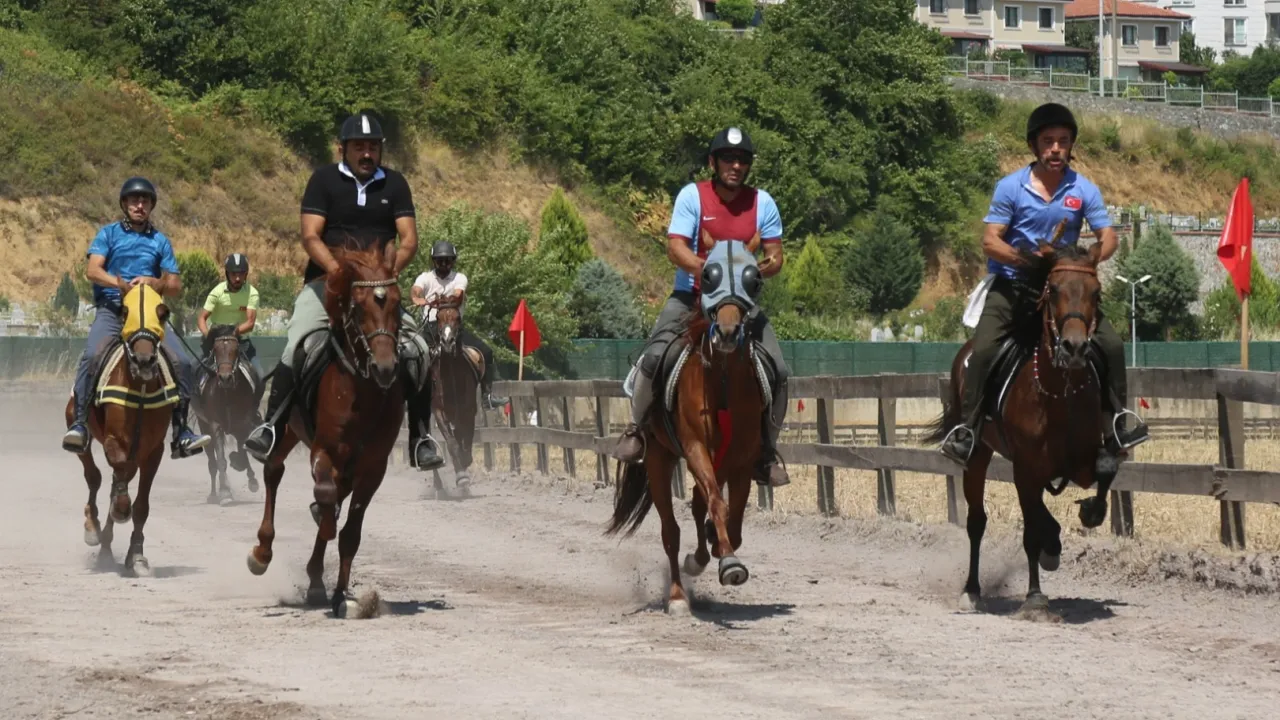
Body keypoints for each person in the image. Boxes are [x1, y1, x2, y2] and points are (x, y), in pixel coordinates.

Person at [939, 102, 1149, 466]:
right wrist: (1026, 261)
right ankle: (967, 430)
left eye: (1063, 141)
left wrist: (1088, 262)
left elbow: (1109, 237)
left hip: (1065, 291)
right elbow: (990, 241)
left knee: (1113, 345)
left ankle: (1116, 424)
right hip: (1013, 286)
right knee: (984, 350)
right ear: (1034, 146)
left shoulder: (1084, 189)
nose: (1055, 149)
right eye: (1048, 141)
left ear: (1071, 146)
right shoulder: (1011, 187)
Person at [242, 111, 444, 471]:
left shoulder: (395, 184)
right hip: (326, 284)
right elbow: (310, 236)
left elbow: (409, 239)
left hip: (377, 288)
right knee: (296, 345)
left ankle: (421, 437)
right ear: (343, 149)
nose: (367, 154)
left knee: (419, 349)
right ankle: (271, 426)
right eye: (359, 147)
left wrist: (385, 275)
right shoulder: (323, 180)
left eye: (373, 147)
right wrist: (339, 273)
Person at [611, 127, 791, 488]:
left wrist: (757, 270)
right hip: (689, 298)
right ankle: (637, 430)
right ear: (713, 162)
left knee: (781, 372)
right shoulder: (692, 196)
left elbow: (775, 255)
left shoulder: (763, 203)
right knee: (652, 358)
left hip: (741, 305)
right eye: (728, 158)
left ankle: (767, 452)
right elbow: (675, 247)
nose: (736, 165)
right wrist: (710, 272)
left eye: (742, 160)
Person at [61, 177, 212, 459]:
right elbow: (93, 270)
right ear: (125, 204)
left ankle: (181, 432)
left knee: (183, 362)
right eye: (134, 200)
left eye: (145, 201)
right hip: (113, 310)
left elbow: (175, 285)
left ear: (151, 206)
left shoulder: (160, 241)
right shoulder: (108, 234)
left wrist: (156, 282)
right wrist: (119, 284)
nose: (139, 205)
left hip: (149, 316)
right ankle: (80, 424)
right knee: (92, 356)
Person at [411, 240, 508, 410]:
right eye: (440, 261)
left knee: (487, 352)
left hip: (454, 327)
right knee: (410, 355)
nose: (444, 264)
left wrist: (443, 301)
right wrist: (417, 297)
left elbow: (458, 294)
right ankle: (411, 396)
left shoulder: (459, 278)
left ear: (453, 261)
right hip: (430, 328)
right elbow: (416, 290)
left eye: (447, 260)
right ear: (433, 261)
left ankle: (487, 396)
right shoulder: (425, 277)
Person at [197, 253, 263, 379]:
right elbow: (201, 318)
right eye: (233, 274)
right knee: (192, 368)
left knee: (259, 375)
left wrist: (234, 333)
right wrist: (208, 335)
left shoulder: (252, 293)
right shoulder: (217, 291)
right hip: (215, 341)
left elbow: (250, 323)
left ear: (246, 274)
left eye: (241, 274)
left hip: (241, 342)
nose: (237, 278)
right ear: (227, 274)